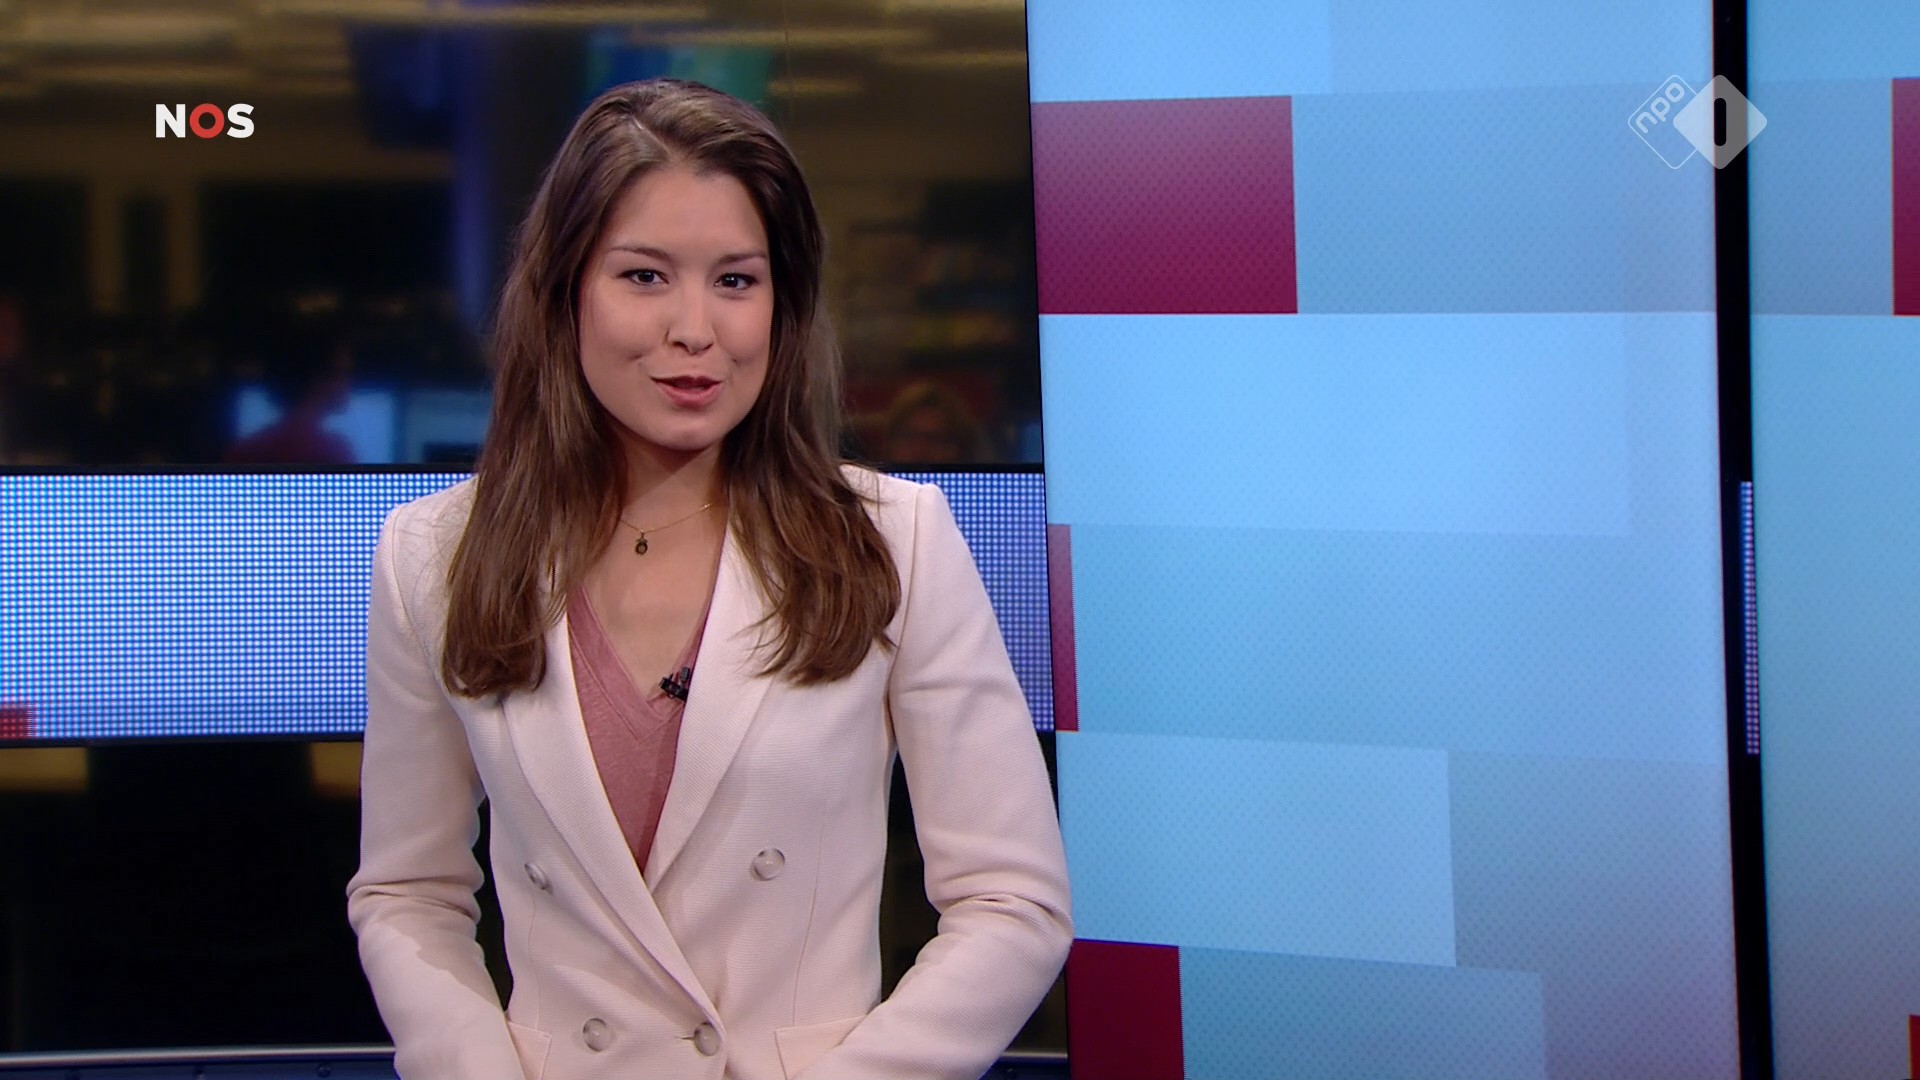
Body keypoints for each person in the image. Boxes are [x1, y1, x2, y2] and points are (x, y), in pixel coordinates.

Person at [346, 78, 1071, 1080]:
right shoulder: (434, 554)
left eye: (736, 280)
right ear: (565, 292)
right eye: (645, 276)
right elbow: (407, 894)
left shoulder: (895, 540)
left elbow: (1011, 901)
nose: (697, 329)